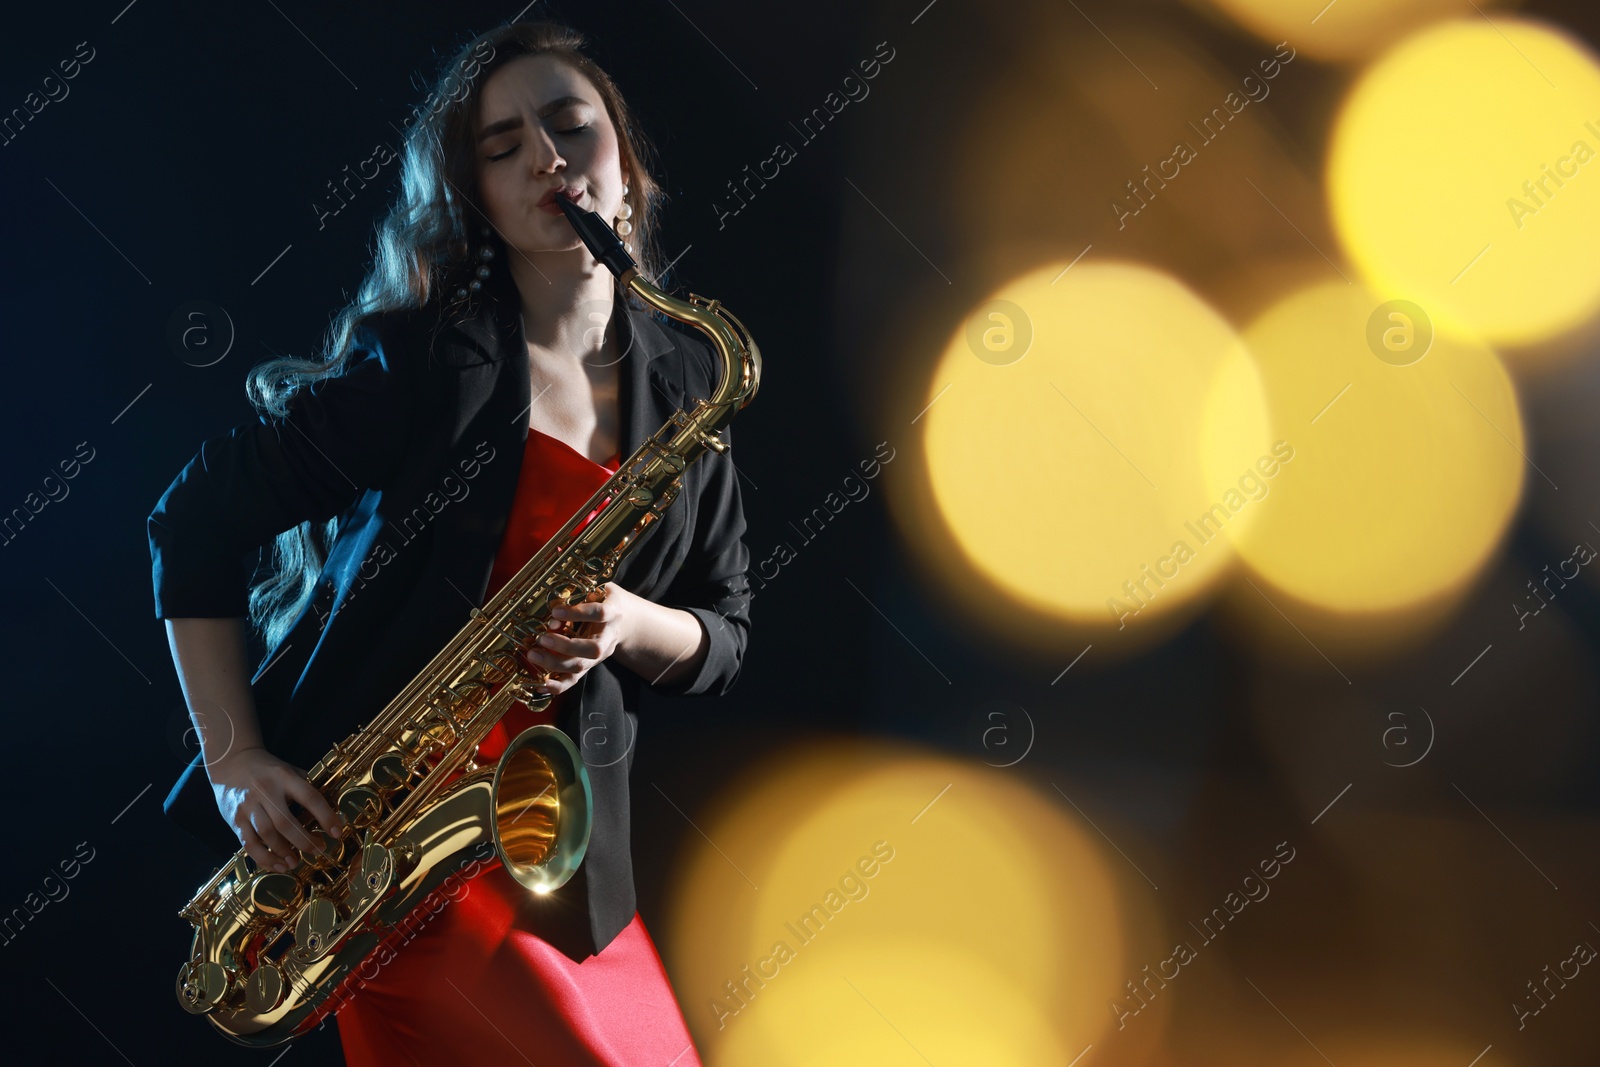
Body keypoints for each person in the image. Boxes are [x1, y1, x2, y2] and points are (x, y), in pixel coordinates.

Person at [148, 19, 753, 1066]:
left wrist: (629, 623)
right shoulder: (426, 361)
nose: (547, 160)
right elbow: (190, 521)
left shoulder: (691, 380)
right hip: (386, 862)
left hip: (565, 867)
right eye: (503, 144)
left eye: (571, 127)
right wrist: (232, 756)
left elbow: (727, 633)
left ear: (626, 161)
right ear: (473, 192)